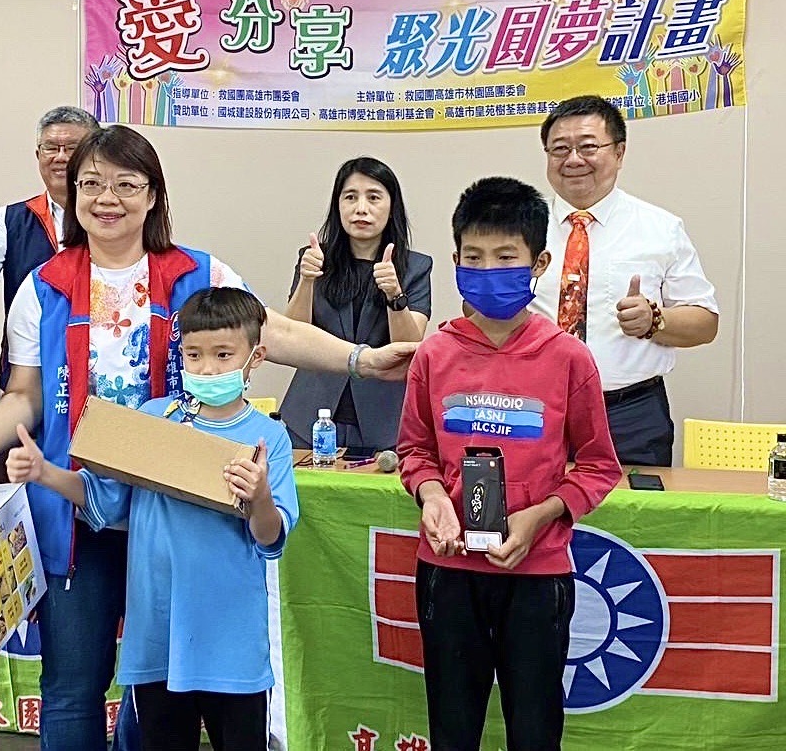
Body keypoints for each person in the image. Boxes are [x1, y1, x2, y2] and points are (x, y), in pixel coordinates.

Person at [0, 124, 416, 751]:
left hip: (178, 508)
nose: (107, 198)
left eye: (126, 184)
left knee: (157, 680)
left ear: (153, 194)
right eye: (91, 184)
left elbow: (272, 331)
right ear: (72, 193)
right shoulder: (42, 287)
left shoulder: (197, 271)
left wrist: (360, 360)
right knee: (72, 685)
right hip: (80, 506)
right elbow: (24, 394)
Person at [7, 286, 298, 751]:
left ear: (255, 357)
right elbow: (102, 499)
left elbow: (270, 537)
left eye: (224, 355)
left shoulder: (269, 438)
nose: (207, 368)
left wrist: (259, 496)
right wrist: (45, 472)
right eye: (194, 355)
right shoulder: (156, 418)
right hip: (157, 639)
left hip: (232, 646)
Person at [398, 177, 620, 751]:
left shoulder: (569, 358)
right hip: (448, 571)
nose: (487, 270)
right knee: (453, 728)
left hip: (537, 573)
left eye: (505, 257)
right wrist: (433, 498)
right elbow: (415, 452)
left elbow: (598, 467)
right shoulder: (434, 354)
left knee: (535, 729)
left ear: (538, 263)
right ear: (455, 262)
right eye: (473, 257)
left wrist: (541, 515)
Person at [531, 95, 718, 466]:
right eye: (560, 149)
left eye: (588, 147)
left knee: (634, 505)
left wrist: (655, 320)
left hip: (629, 414)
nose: (573, 160)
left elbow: (705, 322)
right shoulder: (520, 226)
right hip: (534, 408)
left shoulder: (660, 228)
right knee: (528, 501)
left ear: (619, 152)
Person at [280, 156, 431, 452]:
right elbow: (293, 335)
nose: (361, 208)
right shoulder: (314, 258)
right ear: (338, 205)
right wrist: (307, 280)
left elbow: (408, 348)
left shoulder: (415, 267)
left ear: (392, 206)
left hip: (384, 421)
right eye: (350, 197)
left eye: (373, 197)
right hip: (311, 413)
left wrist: (394, 295)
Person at [0, 107, 100, 384]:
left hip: (100, 365)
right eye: (51, 148)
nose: (61, 157)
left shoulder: (115, 216)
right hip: (28, 369)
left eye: (72, 148)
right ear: (38, 155)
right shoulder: (10, 219)